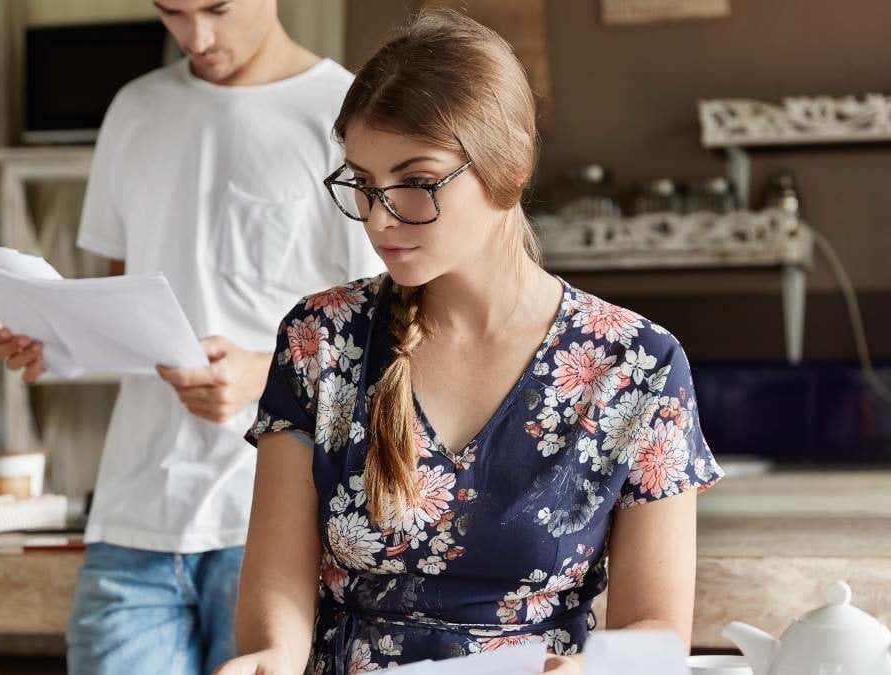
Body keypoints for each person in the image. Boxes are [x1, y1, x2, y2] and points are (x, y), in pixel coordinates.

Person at [219, 9, 724, 674]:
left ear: (507, 166)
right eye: (364, 186)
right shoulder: (321, 339)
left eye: (416, 183)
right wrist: (269, 657)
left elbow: (654, 628)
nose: (378, 218)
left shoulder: (638, 365)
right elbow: (277, 587)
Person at [0, 1, 382, 673]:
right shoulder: (135, 110)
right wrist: (53, 340)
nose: (196, 37)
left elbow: (389, 325)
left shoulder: (344, 111)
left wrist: (267, 372)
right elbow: (119, 299)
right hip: (133, 514)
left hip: (276, 520)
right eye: (173, 11)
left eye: (216, 9)